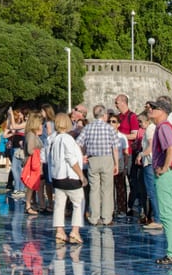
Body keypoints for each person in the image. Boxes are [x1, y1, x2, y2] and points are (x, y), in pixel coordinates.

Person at [149, 96, 172, 265]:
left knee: (167, 213)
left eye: (153, 107)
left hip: (165, 174)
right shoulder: (165, 127)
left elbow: (171, 148)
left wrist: (164, 167)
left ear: (162, 111)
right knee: (169, 212)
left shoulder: (163, 127)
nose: (150, 110)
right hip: (168, 174)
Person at [77, 103, 119, 226]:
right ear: (104, 115)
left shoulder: (88, 127)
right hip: (107, 159)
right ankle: (106, 218)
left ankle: (94, 217)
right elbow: (115, 148)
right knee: (107, 189)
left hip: (93, 160)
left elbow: (78, 143)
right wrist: (116, 163)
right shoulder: (110, 128)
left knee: (94, 189)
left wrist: (82, 156)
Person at [48, 112, 86, 245]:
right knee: (78, 203)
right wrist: (81, 175)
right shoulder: (67, 139)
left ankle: (59, 231)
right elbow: (71, 158)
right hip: (70, 176)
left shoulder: (53, 139)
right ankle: (75, 231)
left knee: (59, 205)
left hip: (57, 177)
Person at [116, 94, 144, 218]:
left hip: (129, 152)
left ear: (123, 102)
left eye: (116, 102)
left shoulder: (131, 117)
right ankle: (121, 207)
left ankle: (134, 206)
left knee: (132, 180)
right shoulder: (117, 117)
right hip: (117, 153)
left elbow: (134, 135)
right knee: (119, 181)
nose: (115, 105)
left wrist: (120, 135)